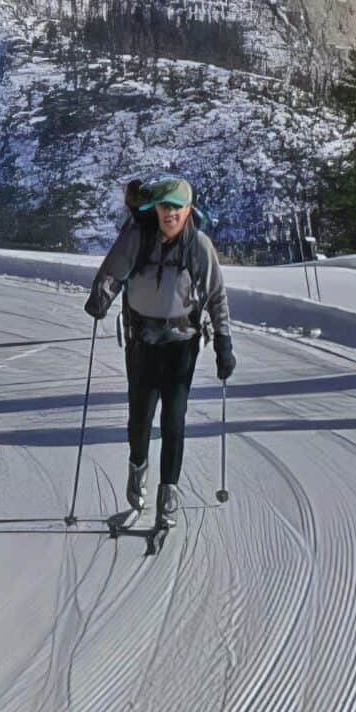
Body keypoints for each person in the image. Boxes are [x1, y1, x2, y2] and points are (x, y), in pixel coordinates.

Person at [83, 174, 234, 528]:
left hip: (182, 343)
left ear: (188, 210)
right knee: (139, 419)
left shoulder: (198, 245)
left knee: (173, 420)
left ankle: (168, 495)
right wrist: (100, 298)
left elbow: (216, 297)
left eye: (177, 208)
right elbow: (113, 270)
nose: (171, 214)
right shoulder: (138, 238)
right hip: (141, 340)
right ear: (156, 209)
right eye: (165, 207)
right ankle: (137, 485)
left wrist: (224, 343)